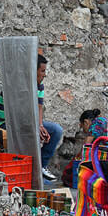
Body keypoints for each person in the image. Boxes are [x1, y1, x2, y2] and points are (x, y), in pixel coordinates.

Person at [37, 54, 63, 185]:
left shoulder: (39, 85)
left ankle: (41, 166)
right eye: (42, 71)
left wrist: (40, 125)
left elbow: (39, 107)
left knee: (56, 130)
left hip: (32, 122)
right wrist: (36, 127)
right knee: (33, 134)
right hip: (11, 124)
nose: (44, 74)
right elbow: (20, 115)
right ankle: (32, 171)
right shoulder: (21, 85)